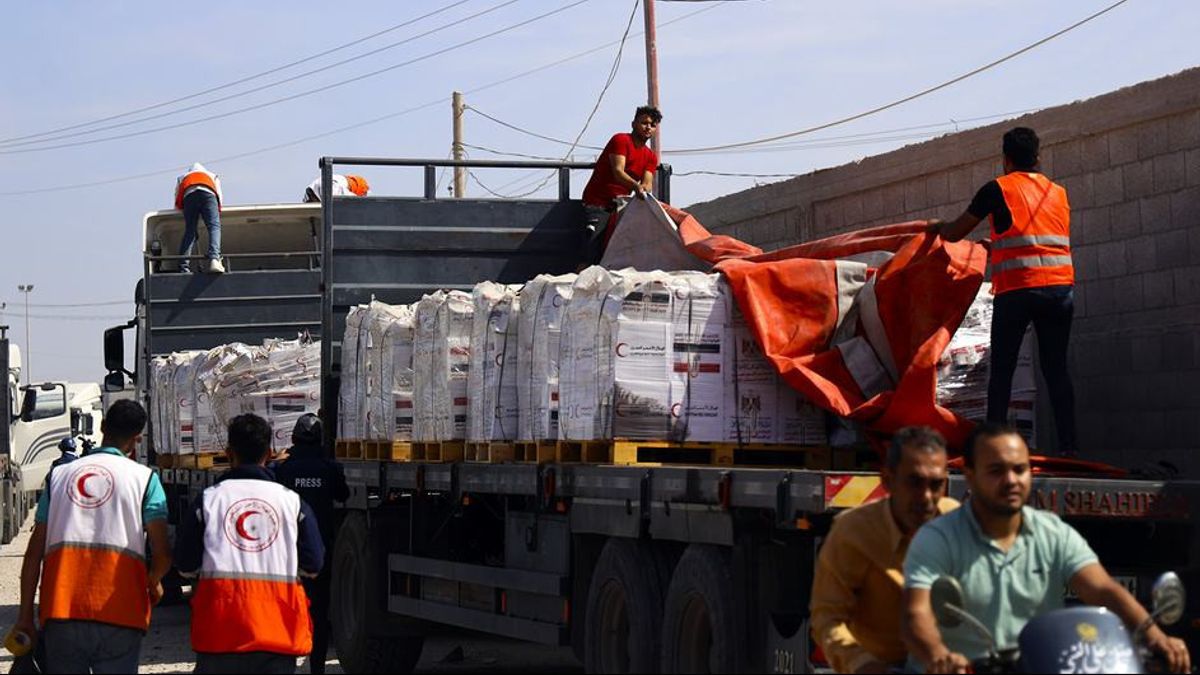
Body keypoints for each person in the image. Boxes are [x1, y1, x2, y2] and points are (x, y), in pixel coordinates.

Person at [901, 422, 1191, 674]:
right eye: (996, 471)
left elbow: (1102, 589)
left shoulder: (1052, 533)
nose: (1011, 480)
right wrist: (939, 656)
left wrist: (1154, 635)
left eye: (1020, 469)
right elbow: (917, 614)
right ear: (970, 476)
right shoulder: (937, 538)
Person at [928, 127, 1077, 456]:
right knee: (1056, 370)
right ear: (1038, 157)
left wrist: (935, 228)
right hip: (1059, 292)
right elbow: (1035, 239)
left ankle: (991, 447)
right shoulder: (1058, 193)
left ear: (1006, 160)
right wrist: (996, 246)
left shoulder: (998, 189)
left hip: (1019, 291)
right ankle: (1070, 447)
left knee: (1003, 370)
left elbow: (954, 233)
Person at [15, 399, 171, 673]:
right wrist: (153, 581)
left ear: (101, 427)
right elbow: (162, 554)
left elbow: (33, 553)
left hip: (62, 609)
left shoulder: (59, 477)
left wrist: (25, 615)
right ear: (137, 440)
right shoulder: (145, 479)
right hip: (121, 612)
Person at [175, 413, 325, 674]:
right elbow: (314, 564)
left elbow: (185, 564)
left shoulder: (208, 501)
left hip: (220, 635)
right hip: (278, 634)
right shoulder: (292, 503)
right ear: (270, 453)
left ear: (228, 453)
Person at [809, 426, 959, 674]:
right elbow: (827, 618)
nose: (926, 497)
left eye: (936, 485)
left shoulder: (956, 522)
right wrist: (862, 664)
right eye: (914, 482)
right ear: (887, 480)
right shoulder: (853, 532)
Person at [272, 414, 349, 675]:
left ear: (293, 438)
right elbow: (343, 494)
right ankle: (317, 668)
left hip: (286, 553)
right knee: (319, 611)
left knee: (285, 610)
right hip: (320, 551)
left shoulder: (282, 470)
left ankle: (286, 664)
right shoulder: (330, 468)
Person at [580, 105, 662, 264]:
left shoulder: (650, 156)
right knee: (591, 255)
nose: (648, 127)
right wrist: (637, 188)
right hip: (598, 203)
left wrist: (644, 189)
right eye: (644, 122)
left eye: (653, 125)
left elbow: (647, 182)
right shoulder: (621, 140)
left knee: (614, 257)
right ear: (633, 124)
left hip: (621, 208)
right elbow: (618, 172)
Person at [175, 162, 225, 274]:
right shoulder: (212, 175)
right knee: (214, 227)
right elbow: (219, 197)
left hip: (189, 195)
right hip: (208, 194)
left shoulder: (183, 177)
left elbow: (177, 198)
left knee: (190, 231)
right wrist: (217, 209)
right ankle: (214, 259)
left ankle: (183, 266)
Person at [303, 174, 369, 202]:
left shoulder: (340, 179)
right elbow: (355, 200)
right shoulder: (358, 185)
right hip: (326, 187)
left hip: (313, 191)